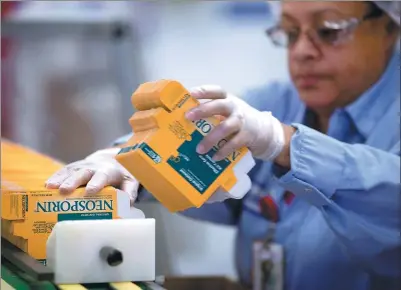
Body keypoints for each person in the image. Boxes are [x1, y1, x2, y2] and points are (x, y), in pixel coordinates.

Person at [46, 1, 401, 290]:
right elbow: (192, 138)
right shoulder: (280, 101)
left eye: (329, 30)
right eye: (290, 33)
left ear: (390, 26)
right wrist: (125, 158)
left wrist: (283, 143)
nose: (303, 51)